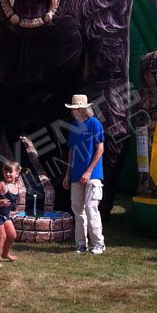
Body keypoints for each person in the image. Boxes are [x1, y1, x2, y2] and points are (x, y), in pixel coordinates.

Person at [63, 94, 106, 255]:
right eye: (73, 108)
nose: (75, 111)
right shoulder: (74, 125)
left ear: (84, 108)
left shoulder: (95, 124)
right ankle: (81, 244)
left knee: (91, 208)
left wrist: (88, 171)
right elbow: (71, 151)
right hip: (75, 175)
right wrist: (68, 174)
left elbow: (100, 149)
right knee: (78, 211)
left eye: (77, 108)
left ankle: (99, 244)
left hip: (93, 175)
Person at [0, 161, 21, 267]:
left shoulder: (17, 186)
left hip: (5, 215)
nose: (8, 174)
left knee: (12, 235)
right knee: (2, 237)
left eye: (10, 172)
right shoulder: (1, 184)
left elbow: (12, 201)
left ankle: (5, 254)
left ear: (17, 174)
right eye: (6, 172)